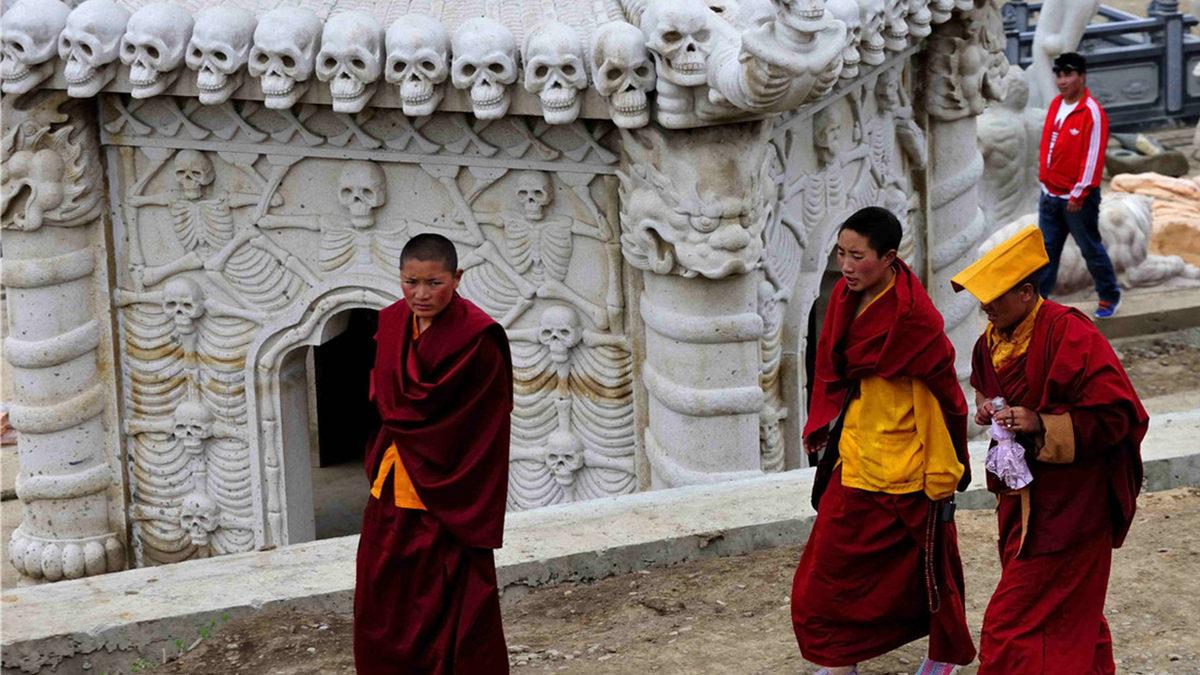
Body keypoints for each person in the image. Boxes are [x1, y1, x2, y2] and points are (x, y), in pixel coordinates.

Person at [951, 225, 1148, 674]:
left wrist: (1042, 423)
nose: (985, 307)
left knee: (1010, 621)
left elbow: (1119, 416)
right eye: (981, 298)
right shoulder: (990, 342)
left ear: (1025, 292)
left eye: (995, 297)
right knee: (1073, 610)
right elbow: (989, 388)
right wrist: (988, 409)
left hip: (1073, 505)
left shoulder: (1070, 334)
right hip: (1024, 500)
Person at [791, 207, 976, 675]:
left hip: (908, 466)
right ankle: (840, 660)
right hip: (855, 456)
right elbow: (834, 370)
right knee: (828, 574)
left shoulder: (912, 319)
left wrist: (942, 471)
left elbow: (940, 400)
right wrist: (824, 421)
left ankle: (941, 656)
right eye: (841, 253)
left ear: (890, 257)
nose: (846, 265)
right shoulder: (846, 298)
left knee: (928, 569)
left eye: (858, 256)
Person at [354, 233, 513, 674]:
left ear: (457, 278)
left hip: (446, 499)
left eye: (434, 283)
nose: (421, 294)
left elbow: (483, 426)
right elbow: (386, 400)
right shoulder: (390, 324)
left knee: (445, 607)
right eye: (411, 282)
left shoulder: (477, 339)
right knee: (381, 599)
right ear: (400, 278)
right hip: (392, 486)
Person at [1037, 51, 1121, 318]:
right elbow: (1048, 147)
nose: (1062, 81)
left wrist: (1079, 192)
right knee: (1046, 251)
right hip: (1050, 194)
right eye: (1059, 75)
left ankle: (1109, 296)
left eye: (1068, 75)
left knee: (1089, 248)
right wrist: (1044, 182)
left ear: (1081, 77)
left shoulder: (1091, 112)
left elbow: (1093, 157)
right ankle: (1039, 301)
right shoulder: (1055, 105)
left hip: (1077, 198)